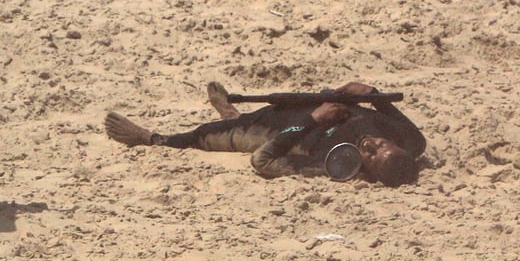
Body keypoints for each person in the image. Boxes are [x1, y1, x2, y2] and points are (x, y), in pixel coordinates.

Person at [104, 82, 425, 186]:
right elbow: (384, 104)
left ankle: (150, 138)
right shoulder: (411, 139)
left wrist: (313, 121)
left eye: (370, 155)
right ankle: (233, 111)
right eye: (380, 144)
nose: (370, 144)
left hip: (279, 129)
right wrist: (367, 92)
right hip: (305, 104)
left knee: (208, 135)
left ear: (366, 170)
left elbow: (263, 159)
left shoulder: (332, 164)